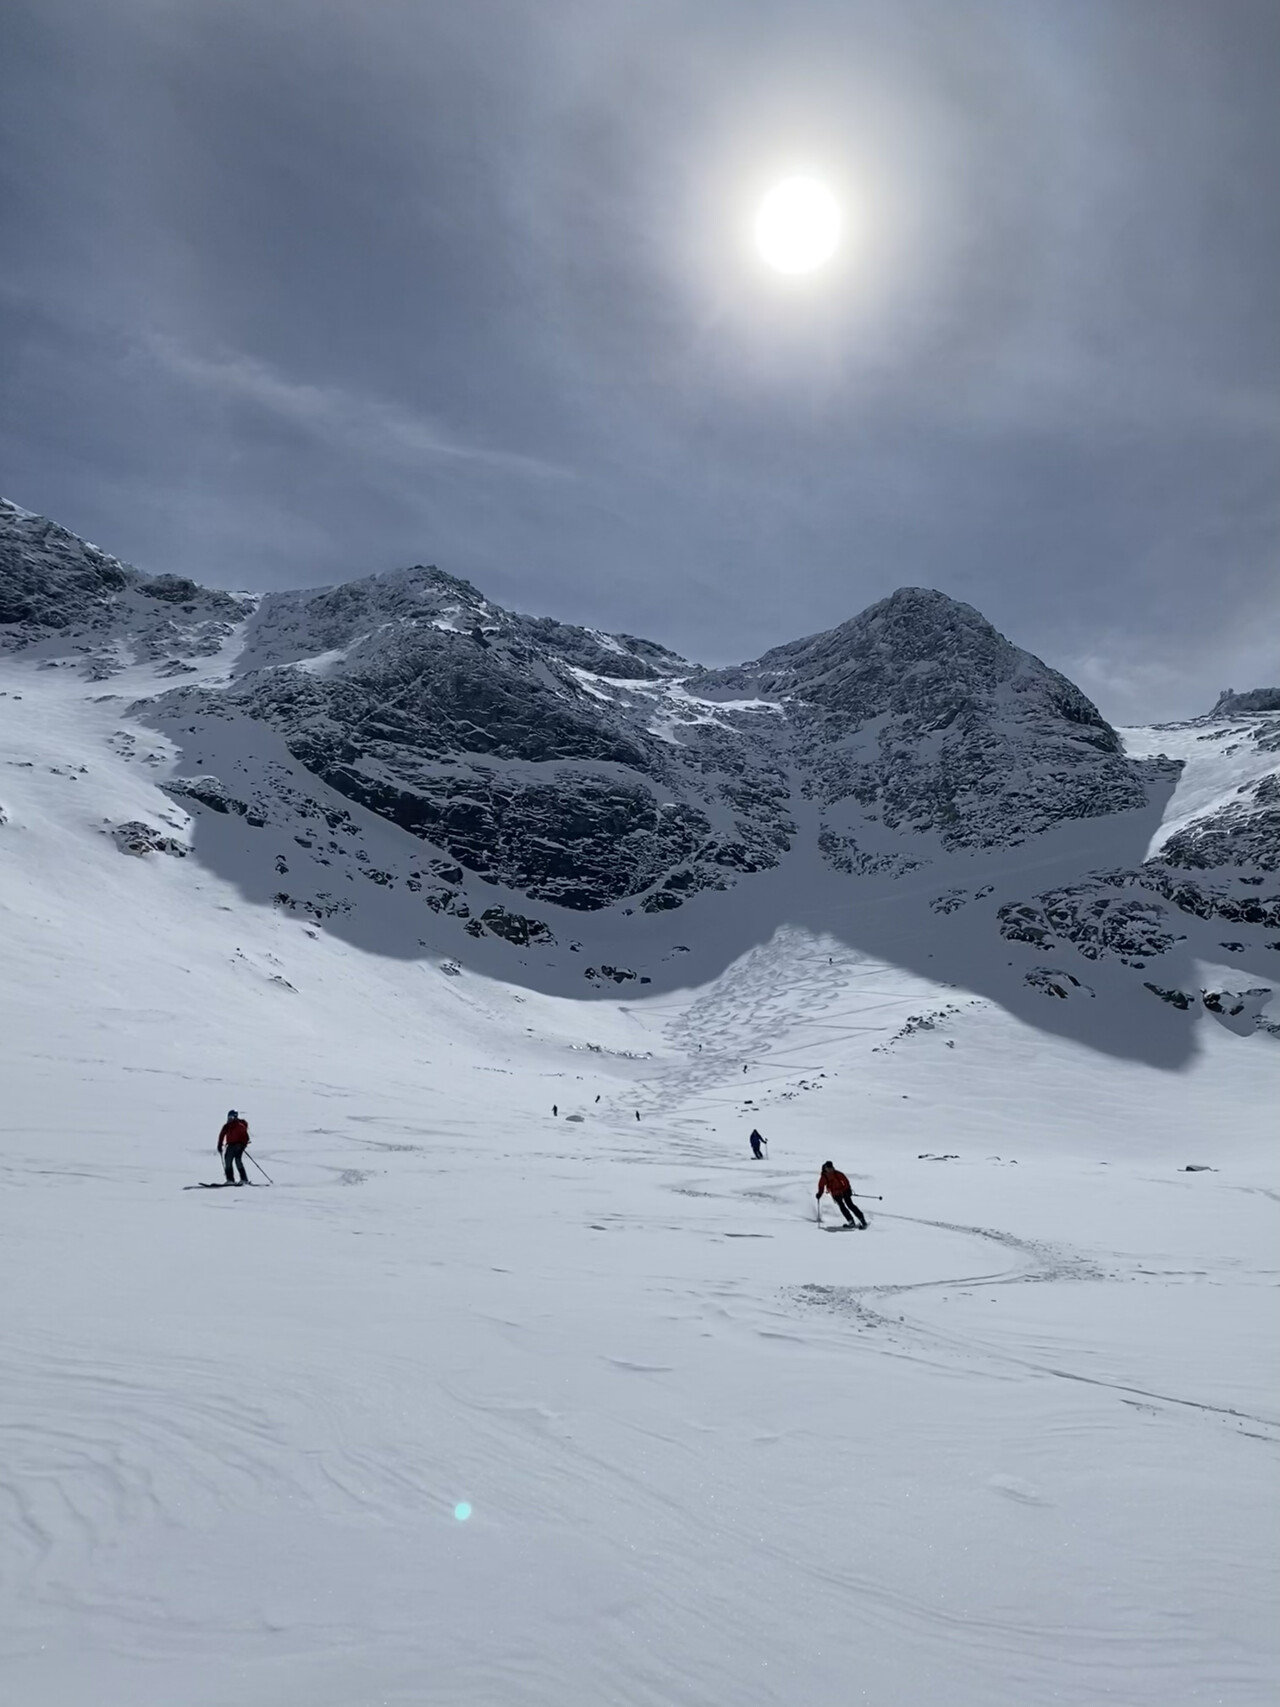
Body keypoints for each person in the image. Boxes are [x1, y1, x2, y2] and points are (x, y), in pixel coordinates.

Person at [816, 1161, 866, 1228]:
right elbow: (821, 1186)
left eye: (831, 1168)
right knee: (842, 1207)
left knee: (850, 1205)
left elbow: (846, 1181)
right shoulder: (824, 1177)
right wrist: (819, 1194)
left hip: (844, 1191)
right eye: (828, 1168)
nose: (830, 1170)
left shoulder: (837, 1173)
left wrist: (848, 1189)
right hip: (835, 1194)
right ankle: (851, 1221)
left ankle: (862, 1219)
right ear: (825, 1168)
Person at [218, 1109, 251, 1185]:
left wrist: (243, 1145)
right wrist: (219, 1145)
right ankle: (230, 1179)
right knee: (228, 1161)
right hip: (230, 1145)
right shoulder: (227, 1126)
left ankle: (244, 1179)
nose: (230, 1119)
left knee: (238, 1161)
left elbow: (246, 1137)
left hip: (239, 1145)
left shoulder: (240, 1126)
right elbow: (221, 1135)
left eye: (231, 1118)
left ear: (235, 1117)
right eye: (229, 1117)